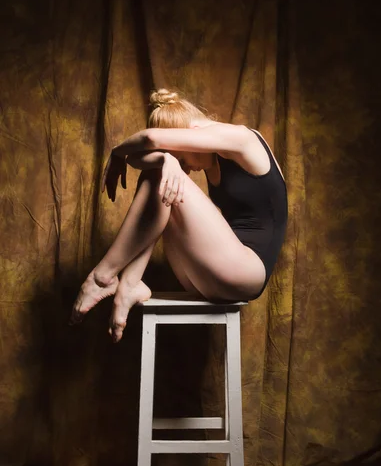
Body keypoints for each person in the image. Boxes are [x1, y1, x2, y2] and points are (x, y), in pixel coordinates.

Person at [69, 88, 288, 343]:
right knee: (163, 175)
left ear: (192, 135)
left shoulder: (241, 139)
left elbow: (149, 139)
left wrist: (118, 152)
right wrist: (166, 160)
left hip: (247, 271)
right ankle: (130, 284)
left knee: (163, 177)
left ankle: (102, 277)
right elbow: (141, 159)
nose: (186, 166)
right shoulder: (209, 156)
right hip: (209, 276)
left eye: (182, 155)